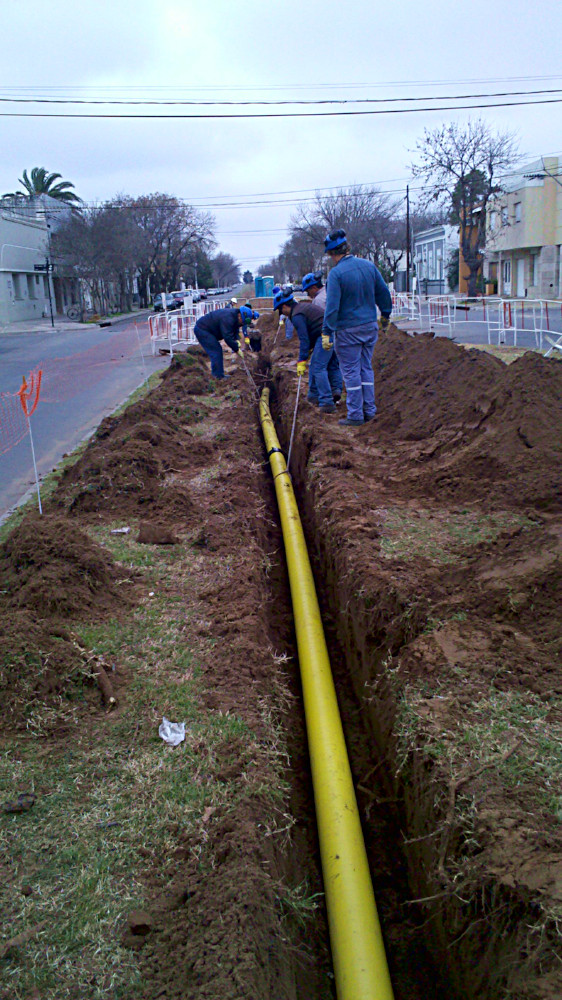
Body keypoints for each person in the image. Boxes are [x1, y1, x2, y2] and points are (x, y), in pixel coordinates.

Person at [322, 229, 392, 427]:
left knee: (351, 371)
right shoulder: (369, 266)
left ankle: (355, 415)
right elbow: (384, 293)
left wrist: (327, 331)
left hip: (347, 330)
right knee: (365, 368)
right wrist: (385, 315)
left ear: (331, 253)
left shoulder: (336, 274)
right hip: (370, 326)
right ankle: (369, 410)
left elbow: (332, 307)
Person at [273, 288, 342, 413]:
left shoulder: (296, 315)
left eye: (280, 310)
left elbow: (304, 339)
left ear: (284, 306)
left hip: (324, 336)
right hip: (329, 333)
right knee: (331, 364)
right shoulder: (302, 308)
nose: (282, 313)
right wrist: (310, 350)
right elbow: (310, 333)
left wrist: (301, 360)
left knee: (318, 367)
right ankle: (325, 393)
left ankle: (326, 402)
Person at [194, 304, 257, 379]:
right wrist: (236, 349)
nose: (242, 324)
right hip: (203, 330)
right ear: (240, 316)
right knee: (216, 351)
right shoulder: (228, 318)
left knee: (217, 350)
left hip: (210, 330)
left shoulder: (235, 316)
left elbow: (235, 328)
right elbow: (227, 337)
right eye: (242, 322)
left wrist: (236, 339)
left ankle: (218, 374)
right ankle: (218, 376)